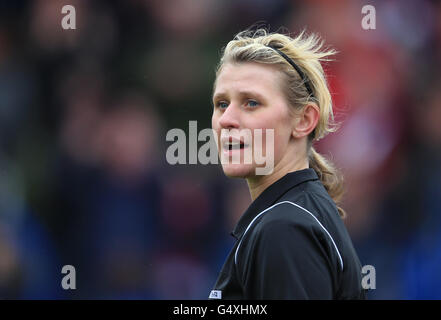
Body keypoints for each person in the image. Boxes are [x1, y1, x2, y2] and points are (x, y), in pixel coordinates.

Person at [209, 29, 366, 300]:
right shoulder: (292, 216)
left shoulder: (283, 229)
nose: (226, 119)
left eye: (251, 103)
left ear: (304, 120)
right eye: (222, 103)